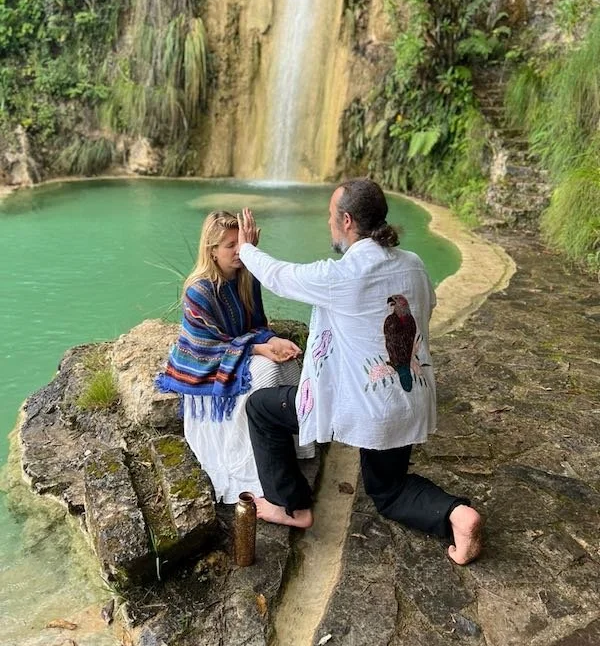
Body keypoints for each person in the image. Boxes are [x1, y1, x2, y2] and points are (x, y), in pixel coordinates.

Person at [237, 179, 483, 565]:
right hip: (410, 397)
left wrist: (246, 249)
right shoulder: (415, 264)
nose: (328, 222)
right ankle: (456, 514)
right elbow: (426, 309)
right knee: (390, 486)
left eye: (331, 216)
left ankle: (291, 506)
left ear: (347, 220)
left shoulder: (343, 277)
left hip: (374, 409)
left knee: (261, 408)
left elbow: (280, 277)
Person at [155, 210, 313, 504]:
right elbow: (206, 348)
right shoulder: (198, 290)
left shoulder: (246, 278)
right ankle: (255, 471)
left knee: (289, 363)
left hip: (237, 353)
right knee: (265, 372)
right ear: (212, 251)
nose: (239, 252)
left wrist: (273, 340)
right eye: (231, 246)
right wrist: (258, 348)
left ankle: (291, 450)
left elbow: (257, 327)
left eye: (240, 244)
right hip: (207, 365)